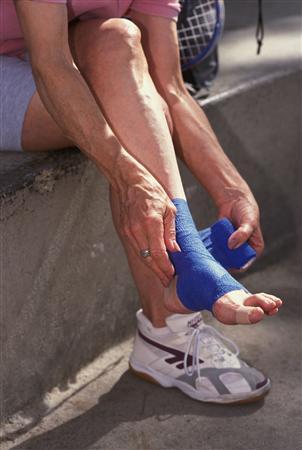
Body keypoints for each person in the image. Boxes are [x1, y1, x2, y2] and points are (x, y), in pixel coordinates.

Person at [1, 0, 282, 404]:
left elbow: (170, 87)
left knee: (119, 39)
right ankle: (173, 314)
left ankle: (177, 301)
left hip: (38, 56)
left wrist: (232, 191)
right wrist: (129, 176)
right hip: (32, 66)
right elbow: (51, 65)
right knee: (130, 107)